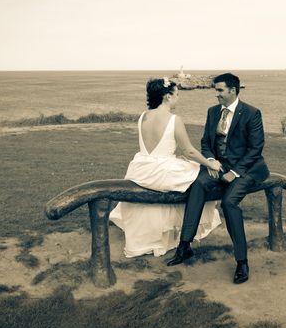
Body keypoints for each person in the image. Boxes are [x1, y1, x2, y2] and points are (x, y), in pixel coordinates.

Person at [167, 73, 270, 284]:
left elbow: (255, 149)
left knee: (229, 202)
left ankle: (242, 261)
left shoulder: (252, 113)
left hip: (247, 168)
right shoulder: (213, 112)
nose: (217, 95)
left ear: (233, 90)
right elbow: (205, 141)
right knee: (197, 185)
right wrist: (211, 160)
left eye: (220, 90)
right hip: (218, 167)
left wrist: (235, 172)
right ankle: (184, 246)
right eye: (216, 90)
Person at [109, 77, 222, 257]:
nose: (178, 98)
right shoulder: (174, 119)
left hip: (141, 168)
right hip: (163, 170)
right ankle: (186, 232)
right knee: (203, 178)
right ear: (167, 97)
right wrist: (210, 163)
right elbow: (188, 151)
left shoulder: (143, 116)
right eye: (177, 94)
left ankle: (155, 239)